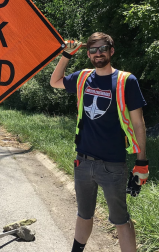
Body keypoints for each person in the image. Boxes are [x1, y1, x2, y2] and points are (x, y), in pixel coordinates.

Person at [50, 32, 148, 252]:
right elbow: (55, 81)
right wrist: (66, 54)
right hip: (83, 162)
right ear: (88, 54)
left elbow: (139, 124)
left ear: (111, 51)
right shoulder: (83, 77)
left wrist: (142, 163)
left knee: (120, 220)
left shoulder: (126, 80)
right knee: (84, 214)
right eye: (93, 50)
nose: (98, 53)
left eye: (103, 48)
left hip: (113, 165)